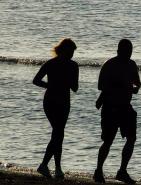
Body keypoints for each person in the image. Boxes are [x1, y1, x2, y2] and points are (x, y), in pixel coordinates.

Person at [94, 39, 141, 184]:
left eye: (130, 51)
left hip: (126, 107)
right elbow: (100, 86)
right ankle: (98, 170)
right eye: (126, 51)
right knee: (108, 141)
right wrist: (118, 86)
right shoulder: (110, 64)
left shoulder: (132, 64)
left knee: (131, 138)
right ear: (118, 51)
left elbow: (137, 83)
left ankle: (122, 171)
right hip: (110, 107)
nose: (128, 54)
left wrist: (135, 88)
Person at [33, 38, 79, 179]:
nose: (72, 54)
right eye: (70, 51)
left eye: (73, 52)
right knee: (58, 133)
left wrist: (60, 82)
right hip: (52, 101)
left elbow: (75, 88)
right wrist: (51, 86)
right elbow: (36, 80)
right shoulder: (52, 63)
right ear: (63, 50)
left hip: (63, 101)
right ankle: (49, 166)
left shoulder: (72, 65)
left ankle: (53, 167)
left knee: (58, 133)